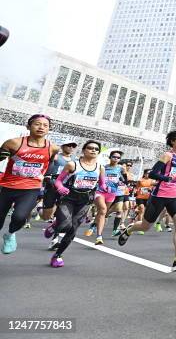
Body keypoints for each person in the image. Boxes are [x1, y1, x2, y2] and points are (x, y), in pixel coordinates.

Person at [118, 129, 176, 272]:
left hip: (175, 196)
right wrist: (167, 179)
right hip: (160, 195)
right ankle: (130, 229)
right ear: (172, 141)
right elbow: (153, 173)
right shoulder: (167, 155)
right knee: (145, 227)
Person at [1, 114, 60, 254]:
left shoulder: (53, 148)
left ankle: (10, 235)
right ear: (28, 126)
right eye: (37, 124)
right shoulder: (13, 143)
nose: (41, 127)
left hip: (30, 188)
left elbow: (50, 164)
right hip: (7, 186)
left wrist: (47, 178)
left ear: (49, 129)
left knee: (19, 217)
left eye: (45, 125)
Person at [45, 141, 106, 267]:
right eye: (90, 148)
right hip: (68, 199)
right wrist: (60, 187)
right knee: (65, 225)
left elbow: (102, 184)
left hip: (85, 201)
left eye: (96, 149)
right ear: (84, 150)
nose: (93, 150)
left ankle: (57, 256)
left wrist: (105, 188)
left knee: (72, 230)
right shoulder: (72, 165)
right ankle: (54, 226)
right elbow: (58, 181)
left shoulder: (100, 167)